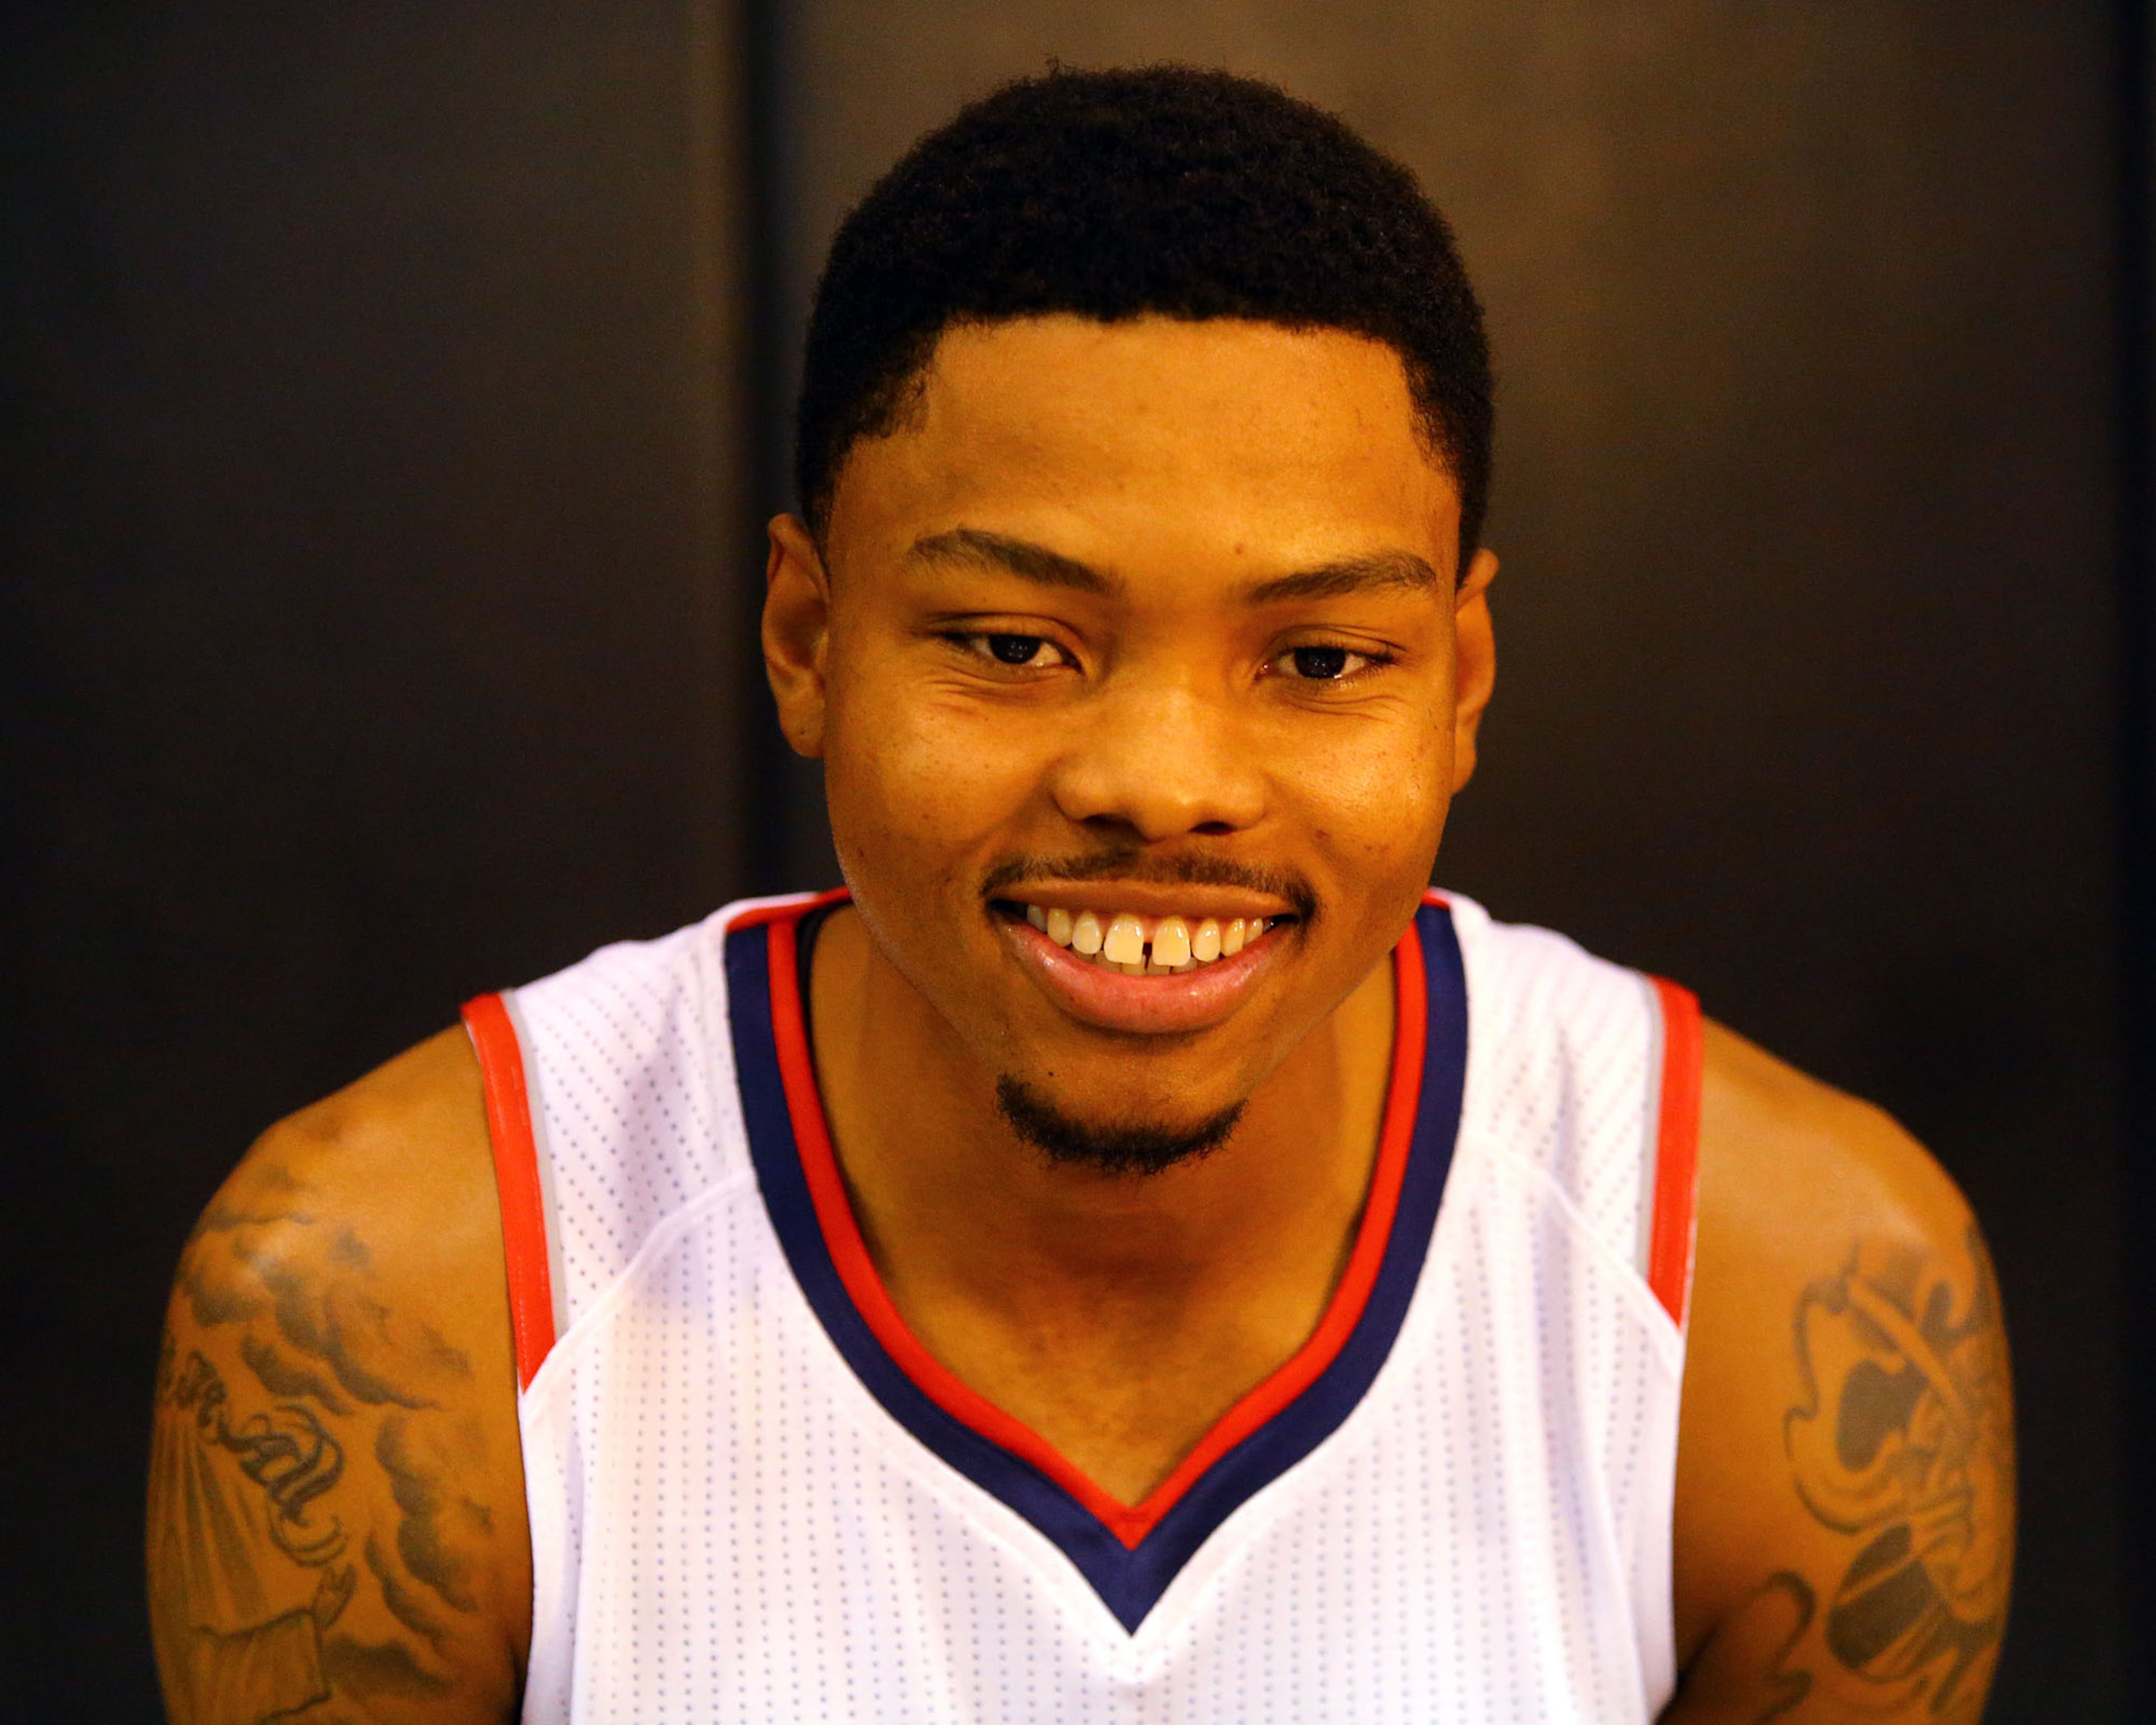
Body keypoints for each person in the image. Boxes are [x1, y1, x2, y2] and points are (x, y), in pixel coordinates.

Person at [147, 66, 2014, 1724]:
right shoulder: (393, 1309)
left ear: (1462, 683)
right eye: (1016, 642)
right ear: (806, 638)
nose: (1163, 785)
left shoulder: (1787, 1298)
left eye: (1320, 660)